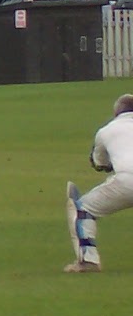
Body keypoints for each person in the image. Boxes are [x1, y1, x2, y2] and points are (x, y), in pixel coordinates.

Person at [65, 93, 133, 273]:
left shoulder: (106, 131)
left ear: (116, 112)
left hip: (128, 180)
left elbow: (99, 163)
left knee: (83, 209)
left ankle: (88, 261)